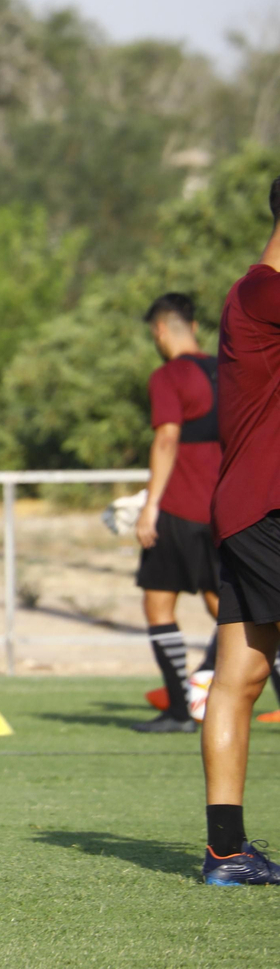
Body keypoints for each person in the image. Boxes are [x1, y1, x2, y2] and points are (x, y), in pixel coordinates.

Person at [201, 177, 280, 884]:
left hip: (249, 507)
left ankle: (226, 852)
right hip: (269, 508)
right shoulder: (262, 290)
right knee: (239, 680)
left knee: (242, 676)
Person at [132, 293, 221, 733]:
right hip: (227, 506)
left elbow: (167, 439)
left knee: (158, 602)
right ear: (195, 326)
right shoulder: (229, 370)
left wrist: (149, 505)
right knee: (230, 606)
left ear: (161, 331)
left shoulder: (169, 375)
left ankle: (178, 711)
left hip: (183, 505)